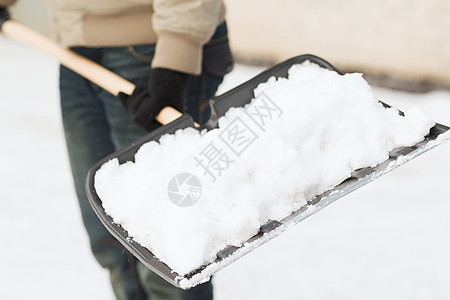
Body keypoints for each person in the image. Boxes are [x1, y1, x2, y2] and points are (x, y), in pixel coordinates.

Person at [0, 1, 233, 299]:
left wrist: (174, 63)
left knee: (165, 247)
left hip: (152, 50)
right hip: (75, 49)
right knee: (110, 237)